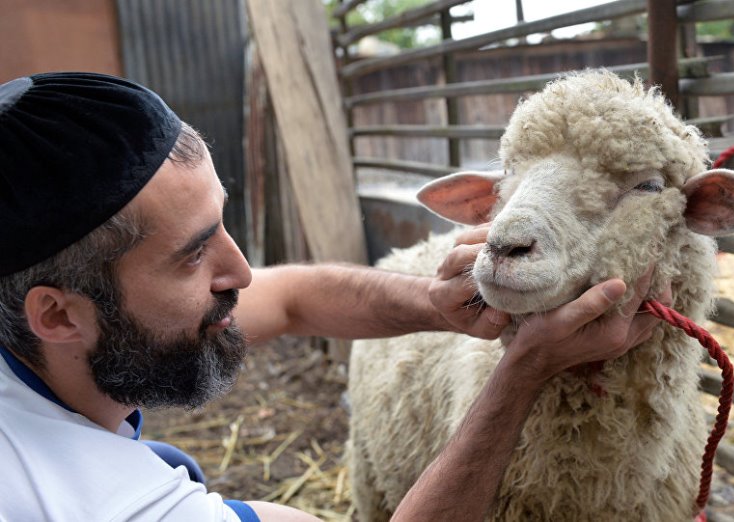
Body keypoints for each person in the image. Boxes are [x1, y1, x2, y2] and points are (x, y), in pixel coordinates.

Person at [0, 72, 665, 521]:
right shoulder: (98, 503)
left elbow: (290, 298)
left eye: (221, 224)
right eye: (193, 254)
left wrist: (434, 304)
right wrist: (524, 371)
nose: (244, 271)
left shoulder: (36, 330)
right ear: (57, 315)